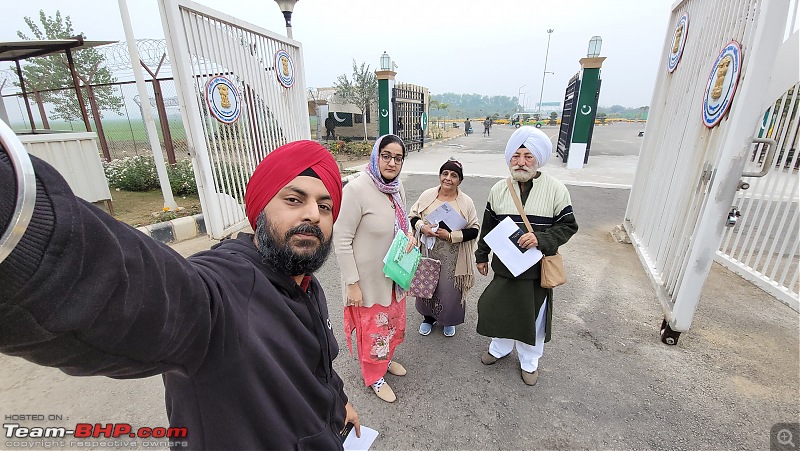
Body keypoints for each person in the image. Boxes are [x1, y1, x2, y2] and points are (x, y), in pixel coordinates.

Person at [0, 140, 360, 449]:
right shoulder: (224, 289)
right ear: (260, 209)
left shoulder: (305, 284)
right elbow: (124, 287)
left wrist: (338, 403)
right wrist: (20, 228)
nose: (313, 213)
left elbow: (319, 365)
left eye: (325, 206)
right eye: (295, 199)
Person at [474, 126, 578, 386]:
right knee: (499, 309)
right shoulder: (498, 189)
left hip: (536, 272)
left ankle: (529, 361)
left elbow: (568, 226)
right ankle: (499, 349)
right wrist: (482, 255)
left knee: (535, 317)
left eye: (528, 156)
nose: (520, 162)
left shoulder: (556, 189)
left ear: (538, 159)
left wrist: (540, 239)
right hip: (506, 269)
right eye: (516, 156)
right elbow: (488, 226)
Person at [334, 134, 415, 403]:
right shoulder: (356, 190)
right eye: (386, 156)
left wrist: (411, 235)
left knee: (391, 326)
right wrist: (352, 282)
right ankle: (374, 377)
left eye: (398, 158)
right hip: (368, 283)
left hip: (394, 277)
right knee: (374, 333)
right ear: (376, 156)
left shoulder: (397, 188)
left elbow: (403, 224)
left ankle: (386, 360)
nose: (392, 163)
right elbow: (341, 238)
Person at [408, 158, 480, 337]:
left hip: (453, 256)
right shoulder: (427, 195)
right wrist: (422, 227)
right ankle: (428, 318)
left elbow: (474, 230)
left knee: (449, 290)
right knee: (427, 285)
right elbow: (413, 216)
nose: (448, 178)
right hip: (428, 251)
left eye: (454, 175)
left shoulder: (466, 202)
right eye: (445, 174)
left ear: (459, 180)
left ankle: (448, 319)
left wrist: (450, 236)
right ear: (440, 176)